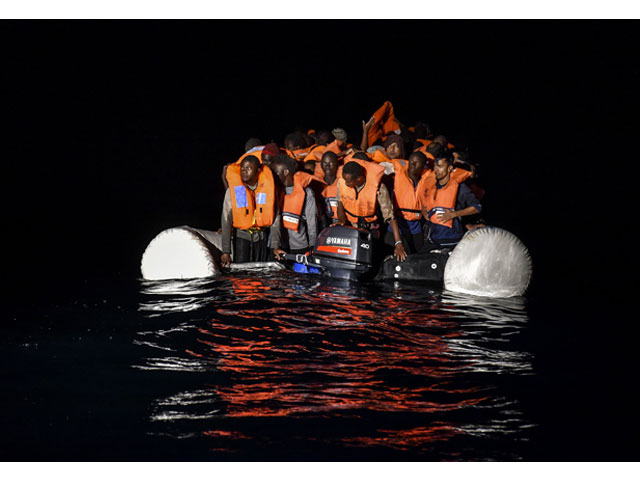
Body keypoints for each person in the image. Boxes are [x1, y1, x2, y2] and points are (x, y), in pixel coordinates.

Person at [336, 160, 407, 262]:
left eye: (348, 181)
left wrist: (398, 242)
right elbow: (340, 203)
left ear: (359, 178)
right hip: (351, 228)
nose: (345, 183)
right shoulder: (342, 182)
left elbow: (390, 216)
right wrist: (342, 221)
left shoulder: (379, 188)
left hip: (371, 230)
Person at [220, 155, 282, 268]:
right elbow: (226, 219)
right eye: (242, 168)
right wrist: (226, 251)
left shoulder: (269, 189)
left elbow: (276, 218)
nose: (244, 171)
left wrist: (275, 246)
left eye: (248, 168)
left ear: (258, 170)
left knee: (261, 274)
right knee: (242, 276)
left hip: (262, 238)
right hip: (242, 239)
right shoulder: (234, 191)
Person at [421, 154, 482, 251]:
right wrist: (424, 211)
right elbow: (426, 205)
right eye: (435, 167)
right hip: (432, 237)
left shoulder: (459, 187)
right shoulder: (432, 186)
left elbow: (477, 207)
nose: (436, 170)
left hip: (451, 238)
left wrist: (454, 214)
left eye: (440, 167)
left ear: (449, 168)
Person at [270, 154, 319, 259]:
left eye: (276, 172)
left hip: (300, 247)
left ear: (286, 172)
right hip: (280, 247)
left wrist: (313, 246)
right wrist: (275, 246)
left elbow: (312, 222)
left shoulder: (307, 192)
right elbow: (275, 222)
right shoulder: (275, 192)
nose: (273, 176)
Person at [387, 151, 432, 253]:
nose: (412, 165)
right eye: (411, 162)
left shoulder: (428, 180)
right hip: (396, 226)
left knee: (417, 258)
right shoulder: (395, 177)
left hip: (415, 228)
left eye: (416, 163)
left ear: (424, 166)